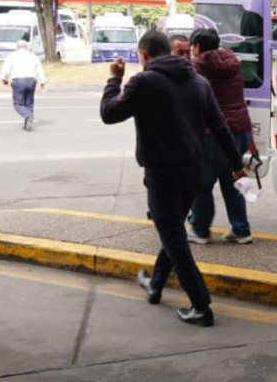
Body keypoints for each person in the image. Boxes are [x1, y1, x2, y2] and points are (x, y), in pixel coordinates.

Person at [100, 31, 247, 327]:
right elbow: (220, 127)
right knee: (173, 231)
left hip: (162, 174)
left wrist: (114, 79)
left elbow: (109, 113)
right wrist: (236, 165)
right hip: (193, 172)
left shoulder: (144, 81)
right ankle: (154, 285)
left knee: (174, 238)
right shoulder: (198, 81)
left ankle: (201, 306)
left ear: (143, 54)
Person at [186, 28, 254, 245]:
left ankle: (200, 229)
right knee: (231, 177)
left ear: (197, 46)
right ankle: (241, 230)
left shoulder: (197, 67)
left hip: (214, 133)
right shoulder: (232, 61)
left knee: (202, 183)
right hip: (241, 128)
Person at [0, 40, 46, 131]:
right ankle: (27, 123)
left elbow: (6, 69)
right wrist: (42, 82)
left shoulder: (12, 56)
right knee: (29, 103)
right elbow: (39, 70)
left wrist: (4, 78)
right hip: (31, 81)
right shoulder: (33, 56)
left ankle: (28, 115)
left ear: (17, 47)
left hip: (18, 81)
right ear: (26, 47)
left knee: (18, 104)